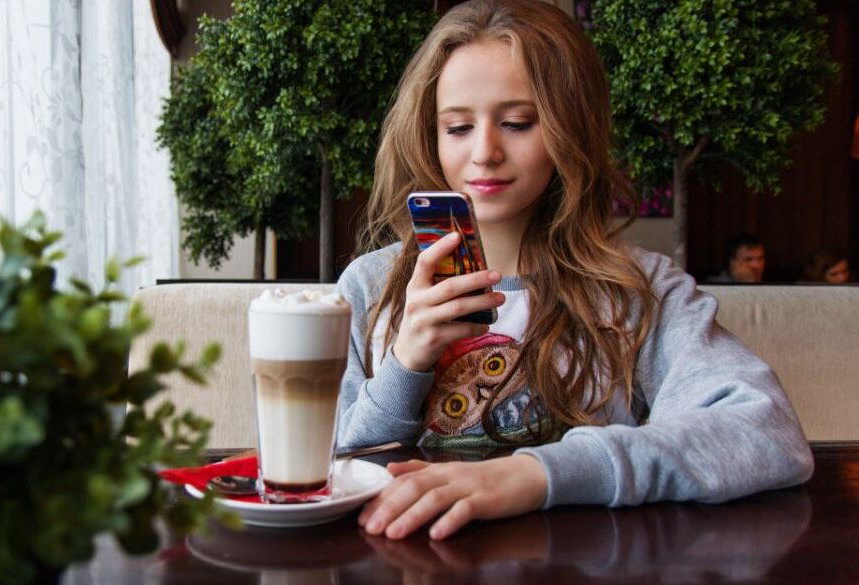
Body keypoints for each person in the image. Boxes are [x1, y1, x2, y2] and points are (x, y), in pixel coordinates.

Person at [335, 0, 811, 542]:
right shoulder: (370, 287)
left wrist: (538, 474)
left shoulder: (638, 291)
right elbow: (316, 471)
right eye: (459, 127)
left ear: (571, 129)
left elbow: (768, 433)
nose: (485, 152)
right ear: (430, 134)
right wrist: (403, 367)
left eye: (517, 123)